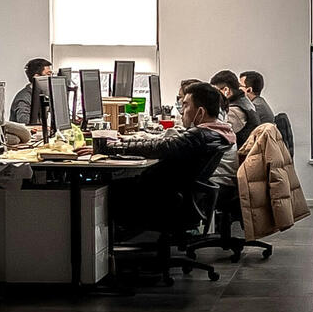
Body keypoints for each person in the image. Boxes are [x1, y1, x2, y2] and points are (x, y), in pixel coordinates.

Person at [98, 82, 233, 234]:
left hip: (163, 199)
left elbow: (159, 147)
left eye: (186, 105)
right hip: (179, 197)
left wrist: (112, 147)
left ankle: (113, 241)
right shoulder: (218, 133)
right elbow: (162, 144)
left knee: (108, 189)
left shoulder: (199, 135)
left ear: (200, 112)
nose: (181, 111)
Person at [210, 69, 259, 147]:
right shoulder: (244, 101)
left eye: (215, 92)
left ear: (226, 90)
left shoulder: (235, 111)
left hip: (240, 155)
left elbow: (217, 134)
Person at [9, 58, 52, 124]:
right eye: (48, 74)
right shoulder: (24, 98)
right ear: (37, 77)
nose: (51, 78)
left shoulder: (42, 94)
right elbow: (24, 122)